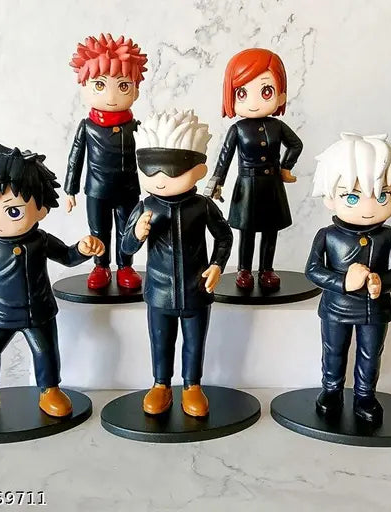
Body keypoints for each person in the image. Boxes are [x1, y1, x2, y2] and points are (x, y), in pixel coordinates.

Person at [0, 140, 104, 419]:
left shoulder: (40, 241)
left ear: (41, 209)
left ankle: (49, 389)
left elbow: (66, 256)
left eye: (12, 211)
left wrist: (82, 249)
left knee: (45, 351)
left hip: (37, 312)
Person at [122, 110, 233, 417]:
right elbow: (125, 248)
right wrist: (136, 234)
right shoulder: (145, 206)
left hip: (196, 289)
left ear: (199, 171)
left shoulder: (202, 206)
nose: (160, 181)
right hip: (159, 292)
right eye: (150, 172)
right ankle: (161, 384)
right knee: (161, 341)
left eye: (171, 173)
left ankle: (192, 385)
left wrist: (217, 265)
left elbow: (224, 237)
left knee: (194, 342)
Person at [305, 133, 391, 424]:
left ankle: (365, 395)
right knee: (334, 351)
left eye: (382, 196)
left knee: (370, 354)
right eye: (352, 197)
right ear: (330, 198)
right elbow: (313, 270)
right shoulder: (327, 236)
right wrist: (344, 283)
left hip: (374, 309)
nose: (369, 208)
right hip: (336, 308)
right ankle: (331, 390)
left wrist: (382, 282)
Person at [206, 48, 303, 290]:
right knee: (247, 231)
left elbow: (296, 144)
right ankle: (244, 269)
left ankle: (267, 269)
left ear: (280, 95)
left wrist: (285, 167)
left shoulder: (277, 127)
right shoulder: (238, 129)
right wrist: (216, 182)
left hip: (272, 185)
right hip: (247, 186)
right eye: (242, 93)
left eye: (266, 91)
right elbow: (224, 157)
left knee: (271, 230)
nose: (254, 102)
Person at [65, 33, 148, 290]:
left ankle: (125, 265)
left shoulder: (136, 127)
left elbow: (148, 157)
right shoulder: (87, 127)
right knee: (99, 230)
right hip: (97, 190)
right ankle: (101, 266)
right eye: (100, 85)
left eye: (122, 86)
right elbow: (75, 159)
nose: (111, 96)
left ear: (135, 90)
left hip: (128, 189)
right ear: (84, 87)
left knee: (127, 229)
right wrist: (70, 190)